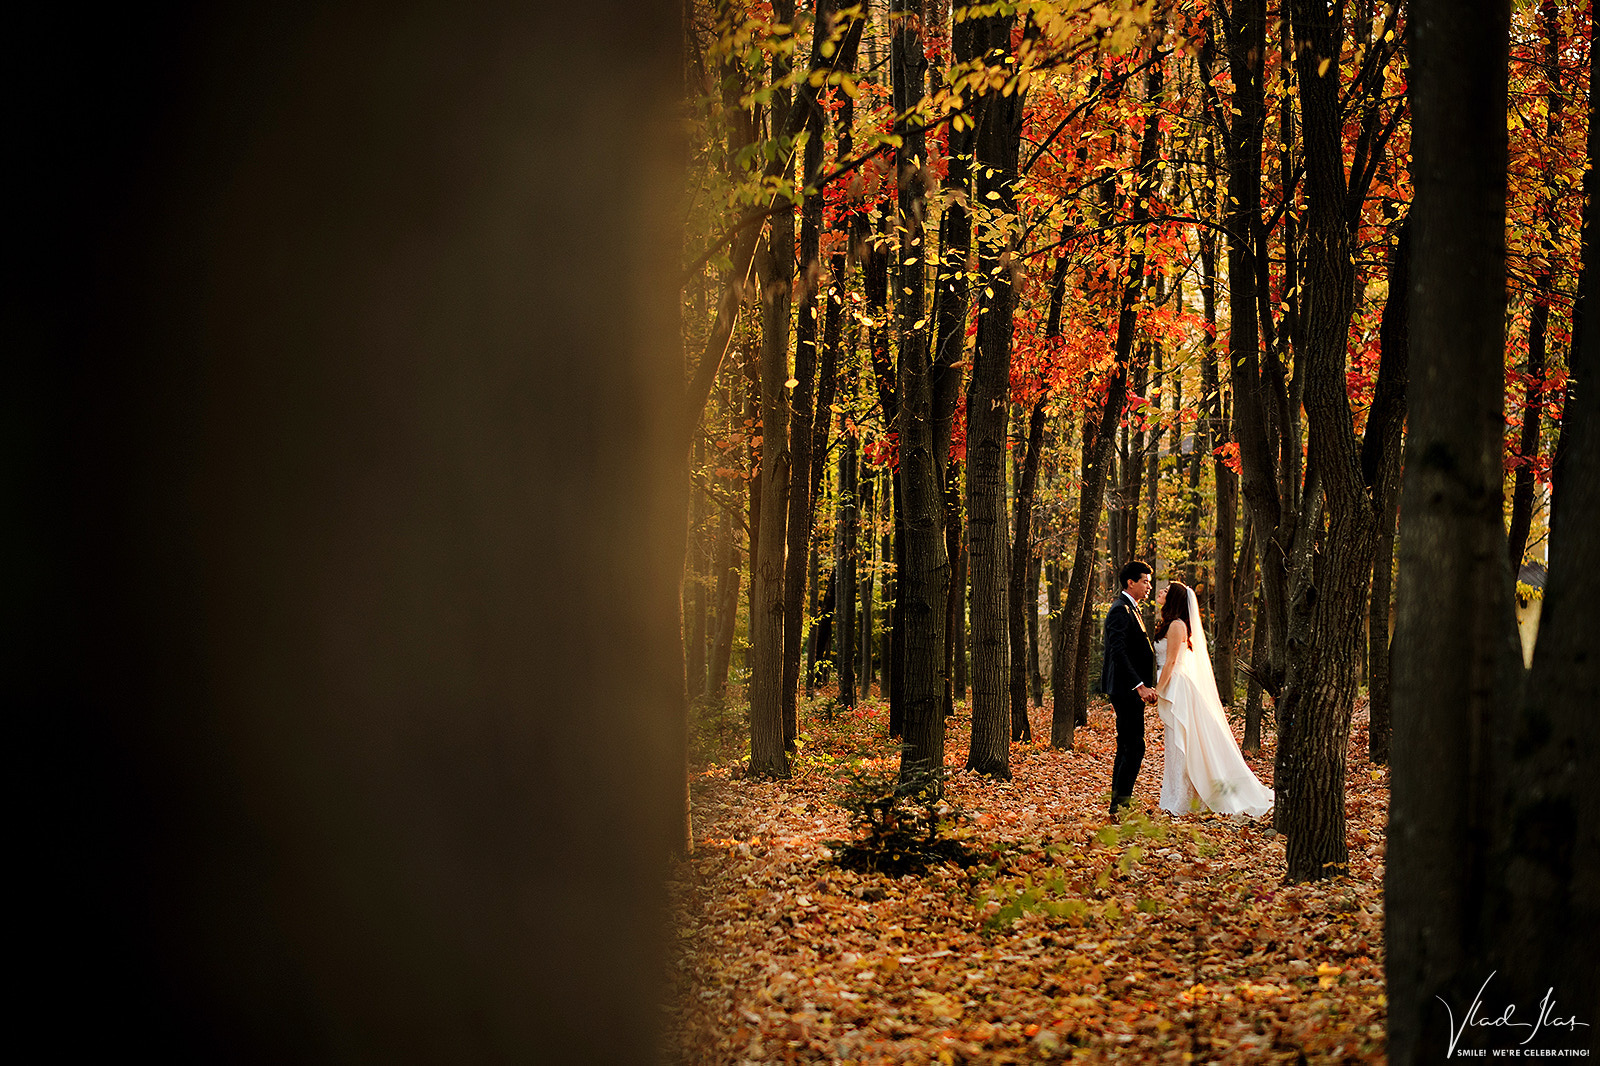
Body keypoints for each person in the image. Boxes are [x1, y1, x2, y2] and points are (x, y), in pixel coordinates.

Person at [1152, 581, 1274, 817]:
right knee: (1176, 743)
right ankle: (1181, 794)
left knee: (1182, 742)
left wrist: (1158, 689)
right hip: (1172, 685)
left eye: (1166, 590)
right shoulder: (1171, 623)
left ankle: (1183, 798)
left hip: (1177, 686)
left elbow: (1171, 662)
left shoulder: (1177, 626)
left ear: (1174, 599)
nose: (1161, 591)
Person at [1100, 561, 1158, 816]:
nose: (1149, 586)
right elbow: (1119, 653)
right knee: (1132, 746)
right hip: (1126, 690)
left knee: (1130, 745)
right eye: (1145, 581)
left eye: (1149, 581)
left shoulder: (1130, 609)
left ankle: (1120, 803)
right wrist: (1140, 686)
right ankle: (1120, 804)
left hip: (1130, 689)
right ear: (1130, 582)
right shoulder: (1120, 610)